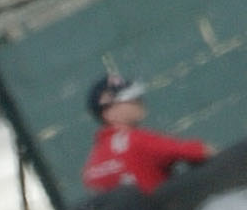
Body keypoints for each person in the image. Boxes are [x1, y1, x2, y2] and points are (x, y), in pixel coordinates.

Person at [82, 70, 211, 193]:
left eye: (137, 96)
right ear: (108, 113)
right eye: (128, 98)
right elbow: (201, 151)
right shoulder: (137, 140)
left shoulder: (92, 165)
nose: (138, 100)